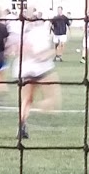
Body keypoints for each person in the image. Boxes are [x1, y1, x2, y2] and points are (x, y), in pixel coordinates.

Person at [14, 8, 59, 141]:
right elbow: (42, 54)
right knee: (52, 97)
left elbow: (18, 49)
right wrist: (51, 53)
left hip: (24, 68)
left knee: (27, 100)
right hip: (40, 68)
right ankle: (44, 106)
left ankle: (22, 125)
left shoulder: (22, 31)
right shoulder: (40, 32)